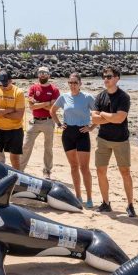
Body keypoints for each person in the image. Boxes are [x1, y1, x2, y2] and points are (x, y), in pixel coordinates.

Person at [91, 65, 135, 216]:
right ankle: (105, 203)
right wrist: (110, 117)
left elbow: (120, 118)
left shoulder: (124, 97)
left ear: (117, 78)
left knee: (125, 172)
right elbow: (94, 119)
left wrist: (103, 115)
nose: (106, 79)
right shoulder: (100, 96)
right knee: (100, 170)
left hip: (121, 140)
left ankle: (130, 205)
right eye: (104, 77)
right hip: (103, 139)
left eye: (109, 77)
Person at [50, 73, 95, 207]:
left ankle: (89, 198)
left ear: (80, 84)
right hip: (68, 133)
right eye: (70, 82)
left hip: (82, 133)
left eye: (75, 82)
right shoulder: (64, 97)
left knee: (84, 167)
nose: (72, 85)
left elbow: (98, 113)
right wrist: (59, 124)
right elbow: (52, 111)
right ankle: (78, 197)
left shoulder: (87, 97)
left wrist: (91, 127)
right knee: (74, 166)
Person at [20, 66, 59, 178]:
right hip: (35, 122)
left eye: (45, 73)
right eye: (40, 72)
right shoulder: (33, 88)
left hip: (48, 121)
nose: (42, 74)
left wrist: (39, 104)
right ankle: (20, 169)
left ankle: (47, 171)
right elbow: (31, 107)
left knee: (48, 148)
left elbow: (52, 109)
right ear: (37, 75)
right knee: (26, 146)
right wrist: (46, 103)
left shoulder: (54, 90)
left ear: (49, 75)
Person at [0, 71, 25, 167]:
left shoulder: (18, 92)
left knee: (15, 158)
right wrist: (8, 110)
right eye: (1, 85)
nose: (3, 87)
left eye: (5, 84)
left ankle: (17, 179)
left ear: (11, 81)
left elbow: (19, 115)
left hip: (15, 129)